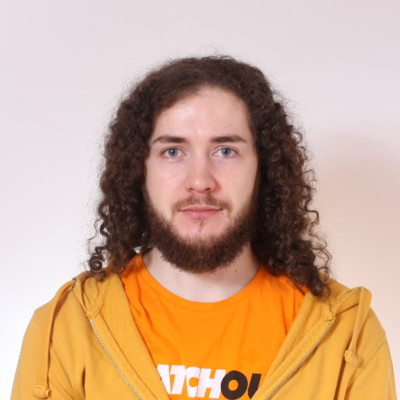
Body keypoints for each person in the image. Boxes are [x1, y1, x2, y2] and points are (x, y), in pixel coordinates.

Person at [12, 56, 396, 400]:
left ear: (263, 169)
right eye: (173, 151)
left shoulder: (346, 334)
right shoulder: (68, 327)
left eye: (225, 151)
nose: (200, 181)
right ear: (139, 170)